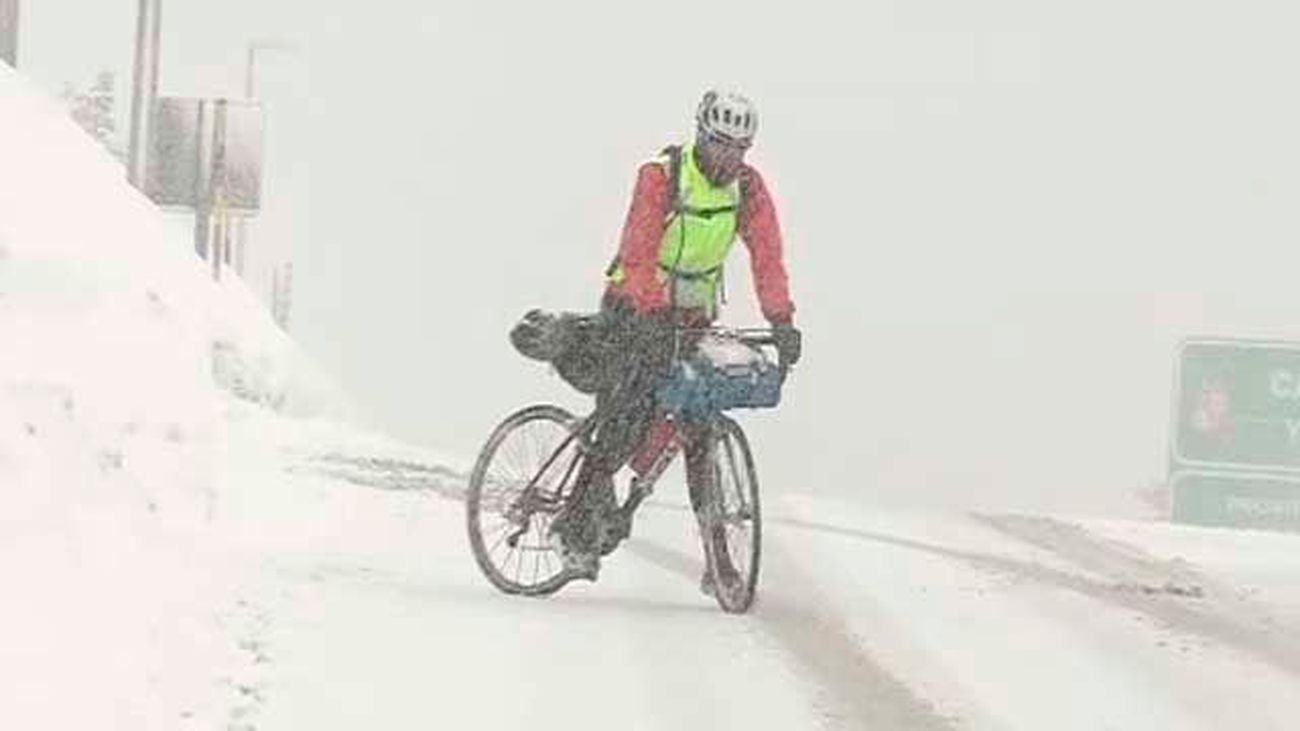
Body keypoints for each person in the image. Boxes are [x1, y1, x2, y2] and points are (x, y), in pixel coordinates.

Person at [517, 90, 802, 590]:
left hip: (691, 319)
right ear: (700, 136)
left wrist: (781, 320)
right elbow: (638, 248)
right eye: (719, 144)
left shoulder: (749, 191)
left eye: (738, 149)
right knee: (625, 420)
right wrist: (650, 311)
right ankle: (575, 533)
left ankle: (720, 564)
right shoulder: (662, 176)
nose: (727, 158)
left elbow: (768, 257)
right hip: (635, 309)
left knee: (697, 425)